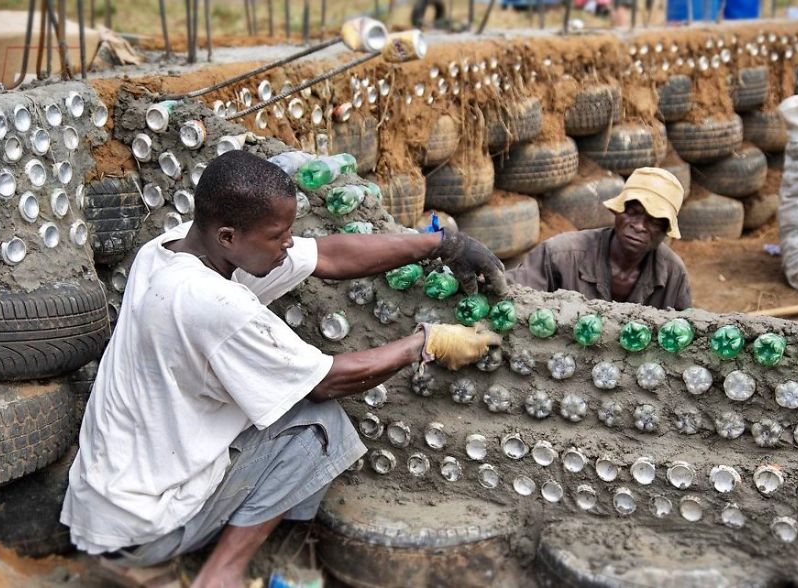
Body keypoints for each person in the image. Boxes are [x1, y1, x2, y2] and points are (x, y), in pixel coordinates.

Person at [61, 150, 506, 587]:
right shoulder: (215, 305)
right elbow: (327, 382)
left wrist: (441, 244)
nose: (288, 243)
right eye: (278, 236)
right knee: (318, 426)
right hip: (143, 528)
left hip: (106, 506)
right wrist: (426, 343)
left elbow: (329, 256)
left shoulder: (170, 248)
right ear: (229, 236)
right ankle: (221, 575)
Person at [507, 167, 691, 310]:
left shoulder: (673, 274)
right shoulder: (560, 255)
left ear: (666, 230)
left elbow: (682, 335)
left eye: (654, 221)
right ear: (618, 212)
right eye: (632, 213)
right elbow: (509, 295)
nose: (639, 226)